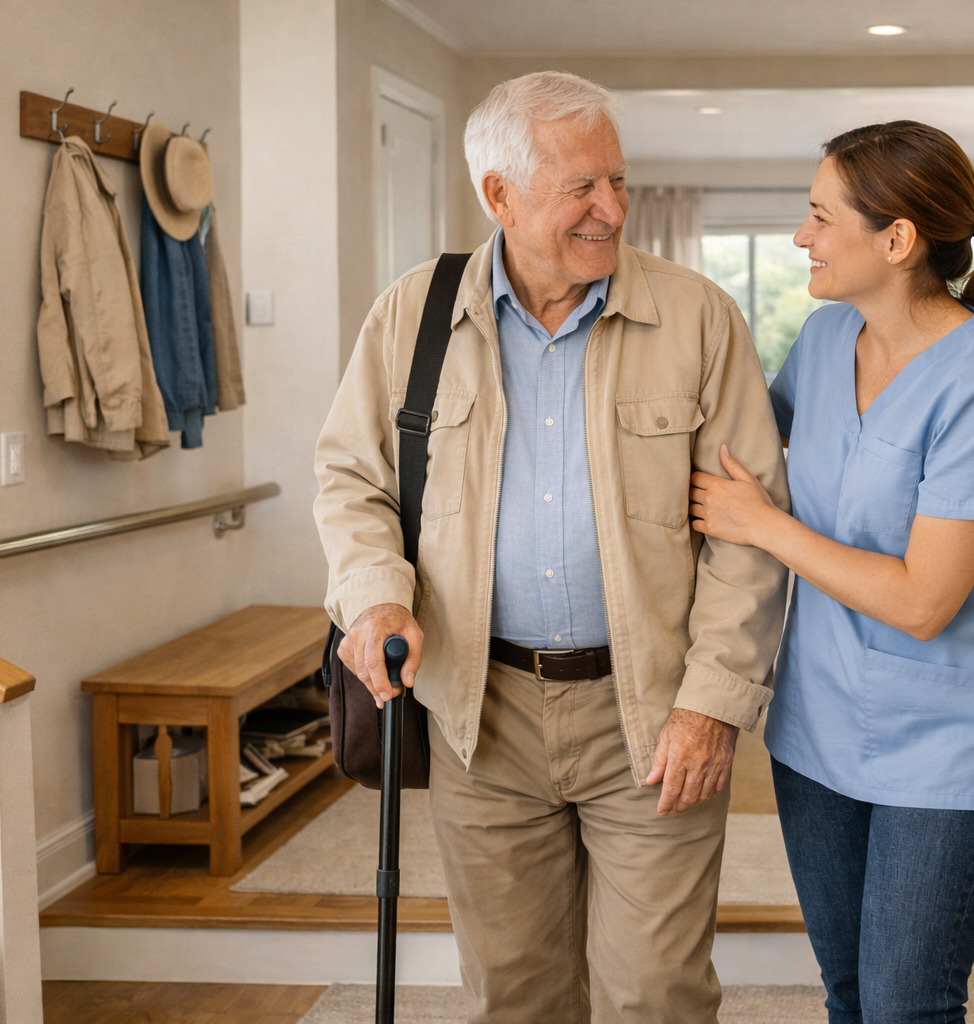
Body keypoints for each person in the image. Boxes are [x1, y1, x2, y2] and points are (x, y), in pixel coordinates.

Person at [313, 71, 790, 1024]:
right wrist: (373, 596)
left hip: (652, 708)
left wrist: (713, 704)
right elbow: (351, 480)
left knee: (656, 991)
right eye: (582, 187)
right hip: (478, 711)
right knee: (514, 991)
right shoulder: (412, 316)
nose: (610, 208)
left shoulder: (698, 318)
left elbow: (752, 532)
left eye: (618, 180)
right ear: (500, 195)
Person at [688, 120, 974, 1023]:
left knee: (904, 1004)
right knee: (850, 991)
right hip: (818, 730)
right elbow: (740, 452)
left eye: (817, 216)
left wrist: (767, 528)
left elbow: (924, 600)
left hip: (951, 747)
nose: (801, 237)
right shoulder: (823, 339)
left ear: (896, 240)